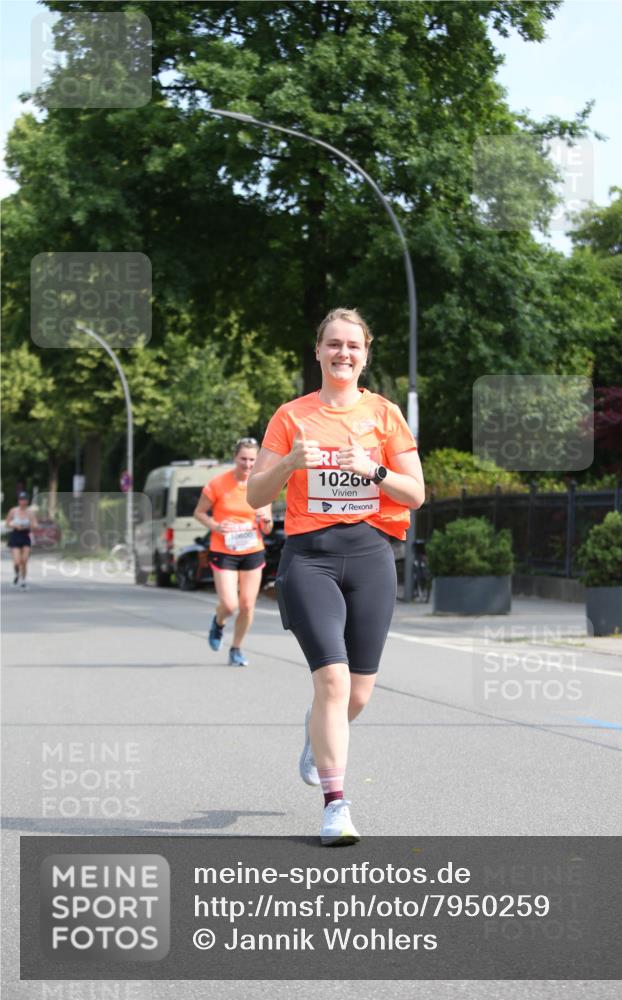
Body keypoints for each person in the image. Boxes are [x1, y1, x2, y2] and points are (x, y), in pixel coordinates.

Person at [248, 308, 424, 846]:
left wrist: (370, 469)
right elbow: (256, 495)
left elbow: (415, 494)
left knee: (359, 695)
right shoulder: (290, 416)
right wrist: (288, 465)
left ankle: (314, 731)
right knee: (332, 679)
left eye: (353, 345)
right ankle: (335, 805)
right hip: (311, 557)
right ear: (318, 351)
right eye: (333, 344)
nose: (343, 353)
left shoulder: (385, 415)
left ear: (365, 354)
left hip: (371, 554)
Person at [194, 438, 273, 666]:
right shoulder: (218, 484)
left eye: (252, 460)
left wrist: (265, 520)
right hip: (224, 549)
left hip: (252, 550)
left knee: (248, 605)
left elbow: (267, 529)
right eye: (243, 459)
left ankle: (236, 648)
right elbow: (199, 512)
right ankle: (218, 622)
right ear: (234, 458)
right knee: (230, 605)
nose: (248, 465)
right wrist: (216, 526)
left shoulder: (261, 485)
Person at [6, 491, 38, 590]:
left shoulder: (30, 513)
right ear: (18, 501)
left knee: (24, 560)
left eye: (24, 499)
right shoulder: (13, 511)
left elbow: (35, 525)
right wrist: (15, 525)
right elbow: (7, 523)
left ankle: (23, 580)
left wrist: (28, 525)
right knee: (17, 561)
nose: (22, 501)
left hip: (26, 536)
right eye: (20, 499)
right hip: (16, 535)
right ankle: (16, 575)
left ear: (27, 501)